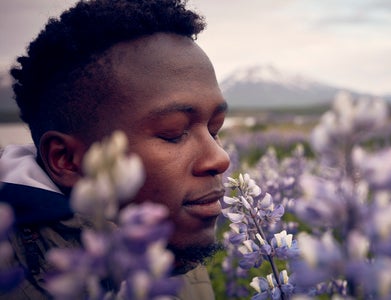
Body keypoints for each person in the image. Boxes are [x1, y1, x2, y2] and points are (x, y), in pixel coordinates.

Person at [0, 0, 230, 299]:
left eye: (215, 130)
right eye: (173, 133)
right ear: (66, 160)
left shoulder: (173, 243)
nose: (220, 158)